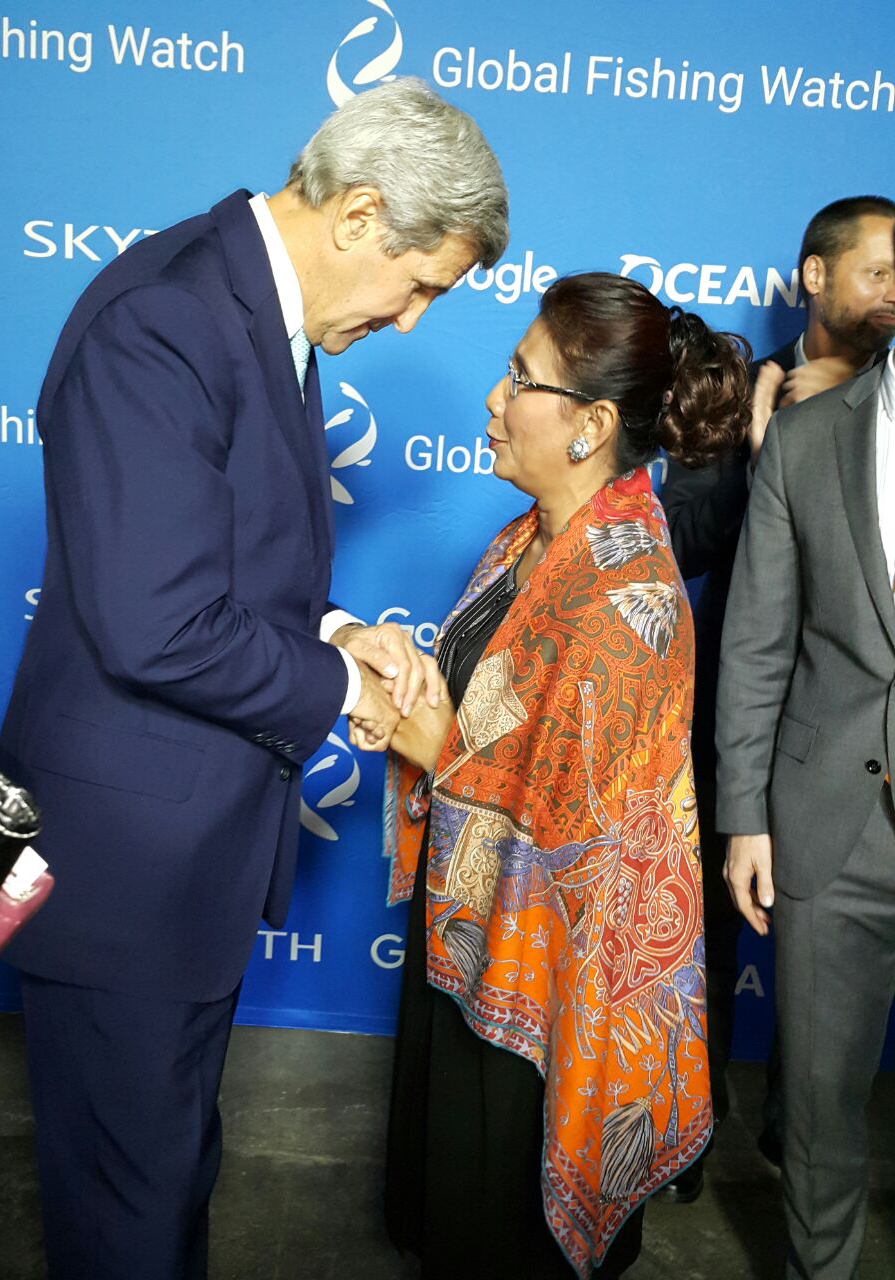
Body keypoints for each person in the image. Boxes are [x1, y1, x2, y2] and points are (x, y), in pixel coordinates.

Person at [0, 79, 507, 1280]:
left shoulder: (258, 307)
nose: (417, 319)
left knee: (166, 1177)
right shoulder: (169, 316)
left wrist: (335, 623)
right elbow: (156, 623)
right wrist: (344, 689)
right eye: (424, 281)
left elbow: (216, 547)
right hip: (128, 870)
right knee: (131, 1214)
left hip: (182, 864)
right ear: (362, 213)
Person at [376, 272, 751, 1278]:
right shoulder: (529, 538)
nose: (493, 400)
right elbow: (495, 718)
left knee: (500, 1240)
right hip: (471, 955)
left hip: (544, 1004)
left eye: (519, 378)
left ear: (589, 424)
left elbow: (571, 830)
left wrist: (432, 743)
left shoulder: (631, 596)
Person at [660, 194, 895, 1187]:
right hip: (753, 727)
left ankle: (793, 1135)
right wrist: (766, 457)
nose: (892, 291)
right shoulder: (753, 392)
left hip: (863, 753)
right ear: (815, 278)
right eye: (876, 271)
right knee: (723, 929)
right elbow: (693, 545)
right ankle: (695, 1128)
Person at [716, 253, 895, 1277]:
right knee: (823, 1106)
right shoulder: (805, 438)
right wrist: (745, 813)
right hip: (831, 825)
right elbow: (755, 645)